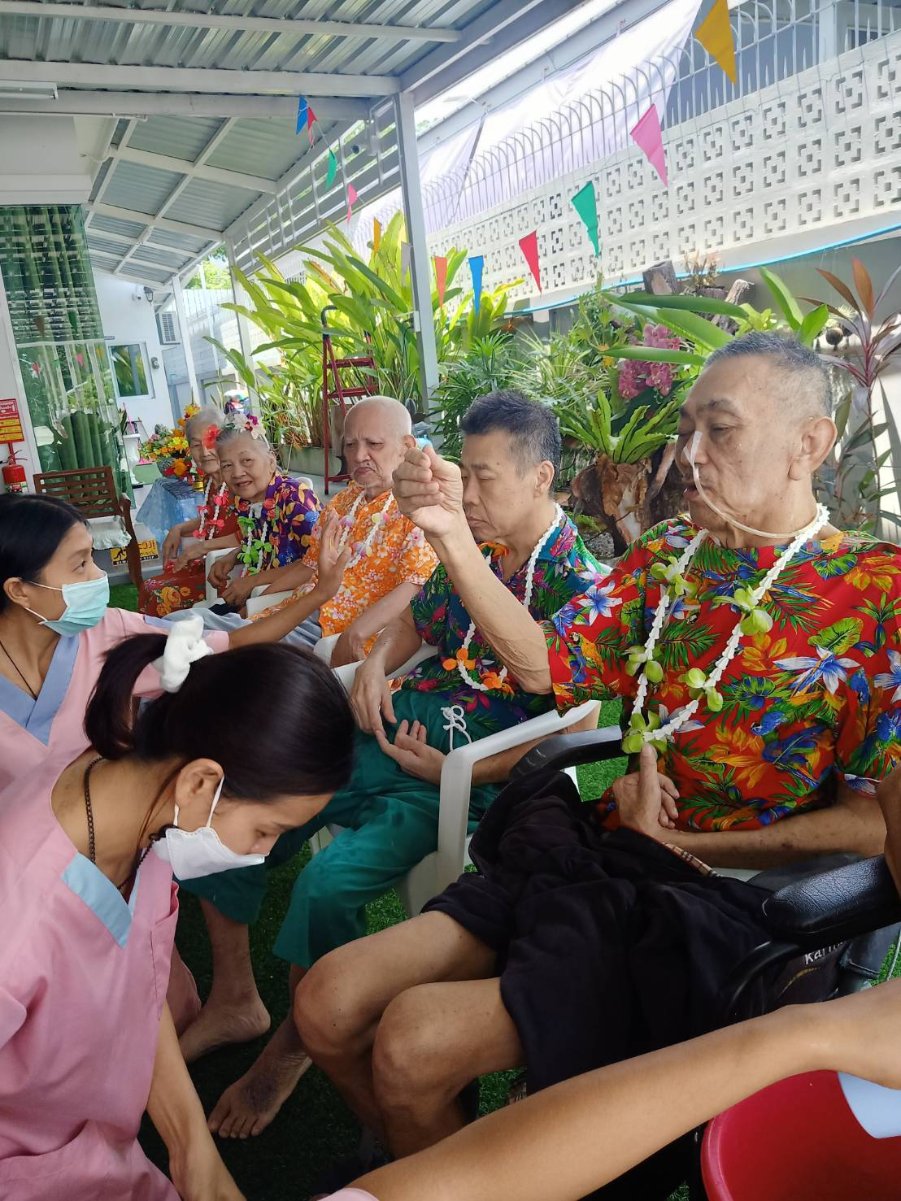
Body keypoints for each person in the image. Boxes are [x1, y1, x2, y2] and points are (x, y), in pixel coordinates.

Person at [296, 333, 901, 1180]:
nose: (688, 456)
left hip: (727, 898)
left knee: (410, 1041)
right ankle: (437, 1152)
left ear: (809, 443)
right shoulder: (665, 556)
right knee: (327, 1000)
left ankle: (442, 1164)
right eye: (684, 430)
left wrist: (685, 844)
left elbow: (870, 827)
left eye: (718, 429)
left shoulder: (874, 593)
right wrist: (451, 536)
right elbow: (542, 665)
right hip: (606, 851)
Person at [185, 390, 604, 1140]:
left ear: (540, 476)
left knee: (325, 882)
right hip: (386, 730)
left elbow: (579, 721)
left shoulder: (578, 578)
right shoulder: (478, 546)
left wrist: (463, 772)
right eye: (463, 476)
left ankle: (295, 1044)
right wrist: (377, 663)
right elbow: (416, 619)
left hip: (454, 776)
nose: (467, 496)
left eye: (483, 478)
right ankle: (236, 996)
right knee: (238, 798)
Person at [0, 626, 355, 1200]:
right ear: (202, 781)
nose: (262, 853)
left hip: (94, 1140)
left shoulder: (136, 806)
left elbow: (136, 984)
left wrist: (193, 1150)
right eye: (266, 830)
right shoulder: (18, 923)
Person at [0, 492, 349, 795]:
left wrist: (320, 593)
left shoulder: (109, 631)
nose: (98, 575)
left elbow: (235, 640)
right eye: (80, 565)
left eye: (91, 558)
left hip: (113, 826)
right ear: (19, 591)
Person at [193, 395, 439, 660]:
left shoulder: (419, 507)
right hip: (296, 613)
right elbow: (309, 565)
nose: (358, 456)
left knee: (202, 653)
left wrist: (355, 633)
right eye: (350, 444)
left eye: (374, 444)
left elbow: (415, 587)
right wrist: (254, 604)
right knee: (189, 630)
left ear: (406, 446)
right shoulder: (344, 500)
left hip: (334, 634)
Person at [202, 417, 320, 615]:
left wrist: (253, 582)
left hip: (290, 606)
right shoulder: (245, 501)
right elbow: (265, 542)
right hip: (253, 601)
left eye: (247, 461)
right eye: (227, 465)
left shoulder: (294, 497)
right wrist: (233, 556)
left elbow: (316, 563)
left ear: (271, 461)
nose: (237, 473)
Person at [141, 406, 240, 617]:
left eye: (211, 442)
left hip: (230, 571)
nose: (204, 452)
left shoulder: (240, 480)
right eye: (196, 445)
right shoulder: (212, 480)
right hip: (208, 563)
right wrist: (178, 528)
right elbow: (213, 518)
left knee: (161, 595)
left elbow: (248, 534)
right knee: (149, 586)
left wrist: (202, 547)